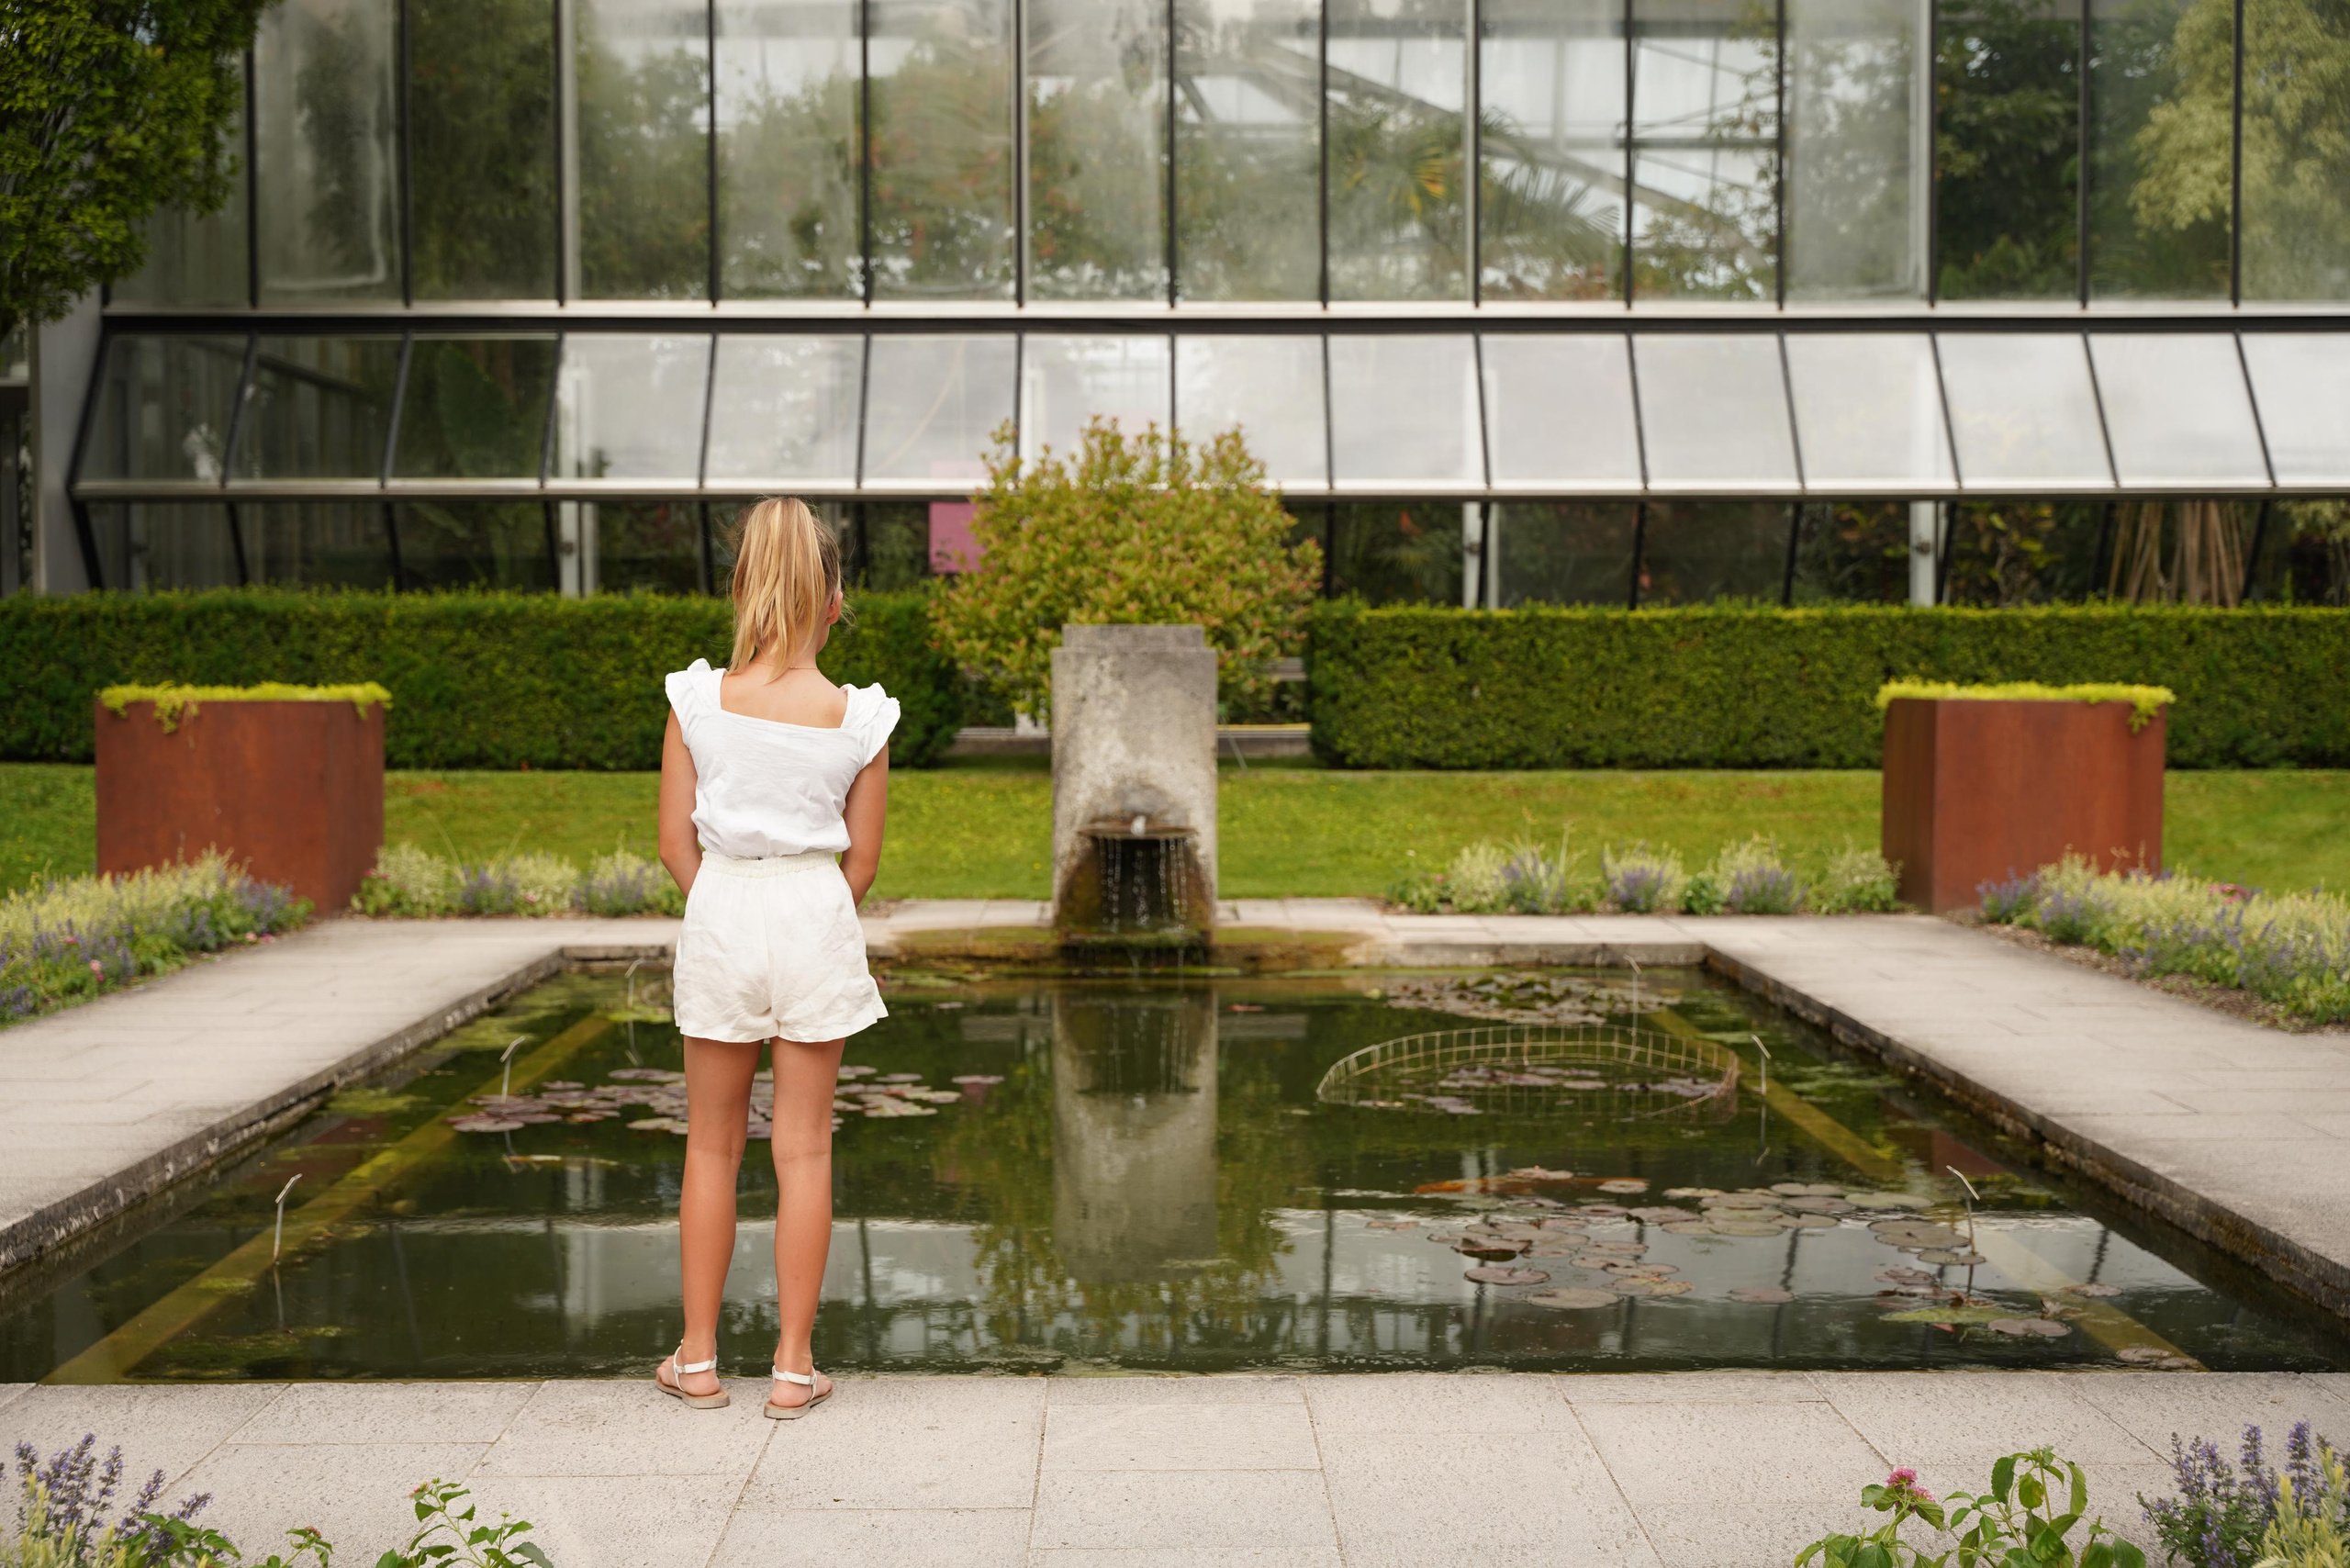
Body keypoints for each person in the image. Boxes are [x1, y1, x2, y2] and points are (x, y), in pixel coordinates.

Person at [652, 497, 896, 1419]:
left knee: (711, 1143)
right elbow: (861, 860)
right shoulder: (858, 718)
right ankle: (793, 1368)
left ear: (742, 585)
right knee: (803, 1148)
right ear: (834, 602)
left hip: (722, 903)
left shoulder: (695, 700)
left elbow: (678, 845)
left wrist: (727, 905)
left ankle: (700, 1358)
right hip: (812, 909)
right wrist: (807, 912)